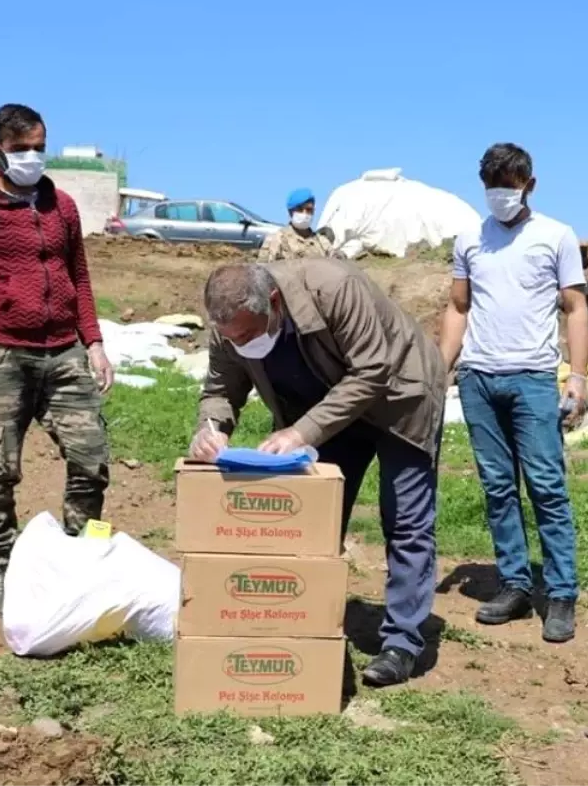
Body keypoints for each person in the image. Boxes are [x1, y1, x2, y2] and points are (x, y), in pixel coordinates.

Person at [188, 259, 445, 686]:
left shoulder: (334, 288)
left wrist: (302, 431)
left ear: (273, 303)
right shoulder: (230, 323)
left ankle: (401, 642)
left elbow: (372, 371)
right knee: (308, 520)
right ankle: (302, 617)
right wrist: (211, 428)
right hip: (326, 411)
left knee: (405, 520)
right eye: (233, 338)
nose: (242, 344)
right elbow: (220, 388)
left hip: (401, 397)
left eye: (249, 335)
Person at [0, 103, 114, 613]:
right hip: (2, 353)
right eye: (21, 149)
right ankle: (0, 564)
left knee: (91, 457)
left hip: (64, 350)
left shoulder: (61, 205)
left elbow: (78, 276)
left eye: (39, 146)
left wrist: (95, 342)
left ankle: (84, 556)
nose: (32, 157)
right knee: (0, 466)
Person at [438, 143, 588, 644]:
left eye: (510, 184)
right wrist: (443, 367)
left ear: (530, 184)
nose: (501, 195)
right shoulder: (469, 239)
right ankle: (514, 584)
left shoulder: (555, 237)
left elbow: (574, 308)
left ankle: (561, 592)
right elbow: (459, 307)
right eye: (492, 186)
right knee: (498, 487)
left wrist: (578, 376)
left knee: (546, 486)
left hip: (531, 378)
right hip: (479, 378)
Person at [258, 188, 335, 262]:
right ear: (290, 212)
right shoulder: (276, 239)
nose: (305, 213)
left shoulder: (321, 242)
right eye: (299, 209)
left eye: (309, 210)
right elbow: (262, 270)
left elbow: (335, 262)